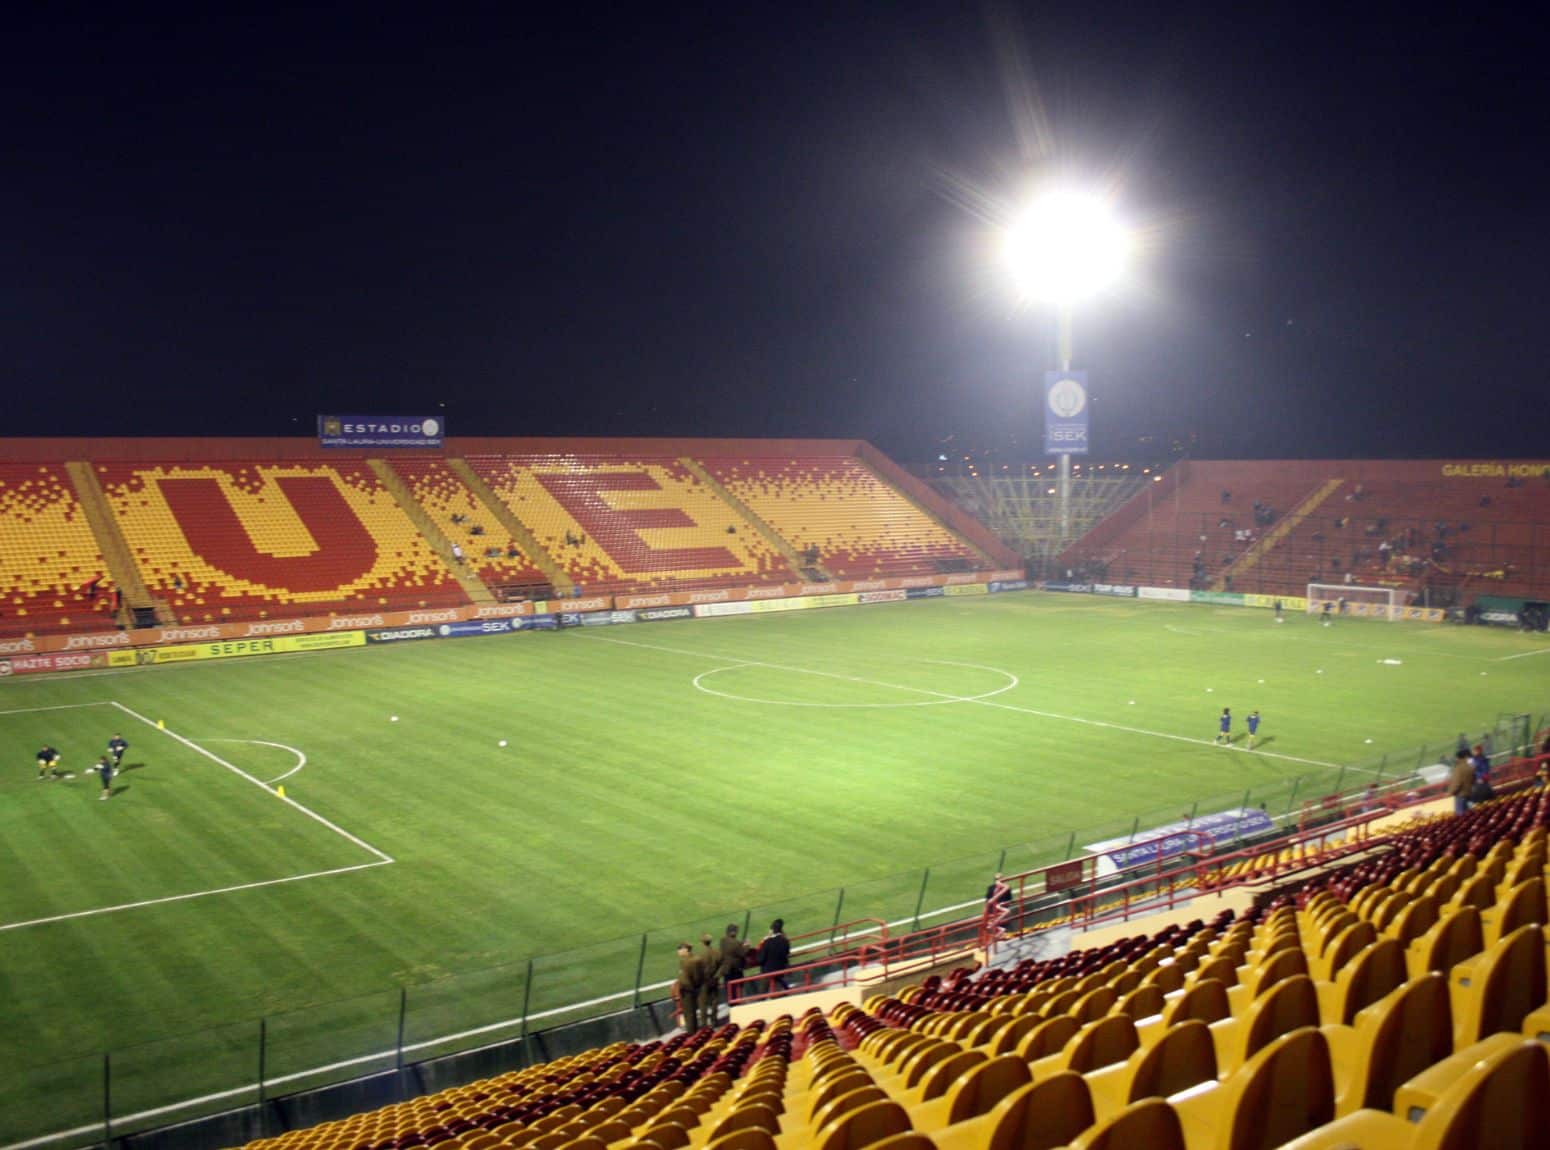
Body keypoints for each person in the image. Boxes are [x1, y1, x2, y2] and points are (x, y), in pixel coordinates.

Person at [755, 919, 792, 995]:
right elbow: (787, 953)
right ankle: (786, 992)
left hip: (768, 972)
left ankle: (760, 999)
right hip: (780, 969)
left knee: (762, 993)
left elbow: (760, 959)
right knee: (780, 984)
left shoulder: (767, 942)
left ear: (772, 930)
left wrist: (764, 940)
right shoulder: (785, 941)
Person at [674, 942, 703, 1032]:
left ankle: (691, 1033)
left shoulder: (685, 961)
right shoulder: (697, 959)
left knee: (688, 1013)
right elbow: (698, 976)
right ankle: (695, 1031)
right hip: (695, 987)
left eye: (680, 949)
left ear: (686, 949)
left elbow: (684, 979)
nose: (678, 951)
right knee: (692, 1011)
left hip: (687, 990)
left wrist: (684, 987)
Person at [719, 925, 751, 1004]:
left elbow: (734, 948)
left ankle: (731, 1002)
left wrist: (741, 944)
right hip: (735, 969)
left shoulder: (722, 941)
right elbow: (742, 953)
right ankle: (737, 1002)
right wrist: (747, 945)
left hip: (726, 968)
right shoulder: (736, 943)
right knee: (738, 986)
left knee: (729, 987)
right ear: (733, 932)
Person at [698, 933, 721, 1026]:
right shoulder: (716, 952)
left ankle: (704, 1024)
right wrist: (717, 976)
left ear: (702, 943)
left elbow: (697, 969)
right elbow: (722, 966)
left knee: (703, 1003)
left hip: (704, 981)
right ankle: (714, 1020)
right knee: (714, 1001)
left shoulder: (700, 954)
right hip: (714, 980)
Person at [1447, 751, 1474, 815]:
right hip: (1469, 794)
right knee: (1470, 815)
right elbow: (1473, 780)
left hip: (1460, 796)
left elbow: (1457, 783)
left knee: (1461, 817)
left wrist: (1450, 792)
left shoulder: (1458, 769)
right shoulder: (1470, 767)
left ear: (1458, 758)